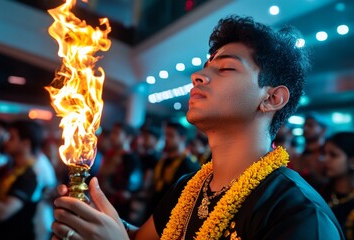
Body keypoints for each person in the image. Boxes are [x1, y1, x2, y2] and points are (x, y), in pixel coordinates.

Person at [51, 15, 344, 239]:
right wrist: (95, 219)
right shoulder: (187, 189)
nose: (198, 76)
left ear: (272, 98)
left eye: (226, 68)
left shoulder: (298, 213)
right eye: (206, 66)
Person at [0, 119, 43, 240]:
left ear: (25, 143)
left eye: (11, 138)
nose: (6, 141)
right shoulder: (8, 167)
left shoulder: (31, 175)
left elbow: (2, 212)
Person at [320, 132, 354, 239]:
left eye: (333, 155)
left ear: (352, 161)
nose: (325, 159)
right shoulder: (320, 192)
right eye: (324, 154)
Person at [297, 112, 329, 191]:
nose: (305, 128)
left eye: (310, 125)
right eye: (304, 125)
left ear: (323, 130)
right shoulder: (298, 155)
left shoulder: (328, 156)